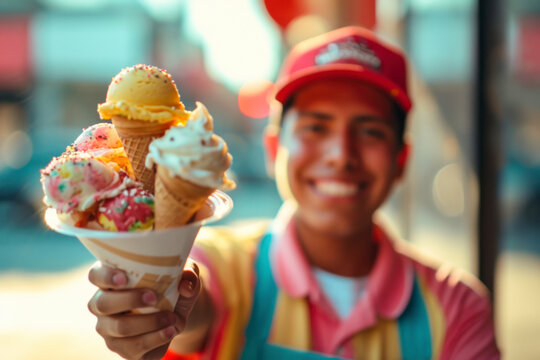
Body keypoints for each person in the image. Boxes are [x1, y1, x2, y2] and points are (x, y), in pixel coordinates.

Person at [87, 26, 500, 360]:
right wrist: (165, 309)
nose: (341, 155)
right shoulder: (221, 264)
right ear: (273, 149)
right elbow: (197, 303)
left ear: (401, 160)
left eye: (370, 131)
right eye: (316, 127)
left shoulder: (456, 309)